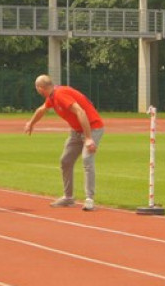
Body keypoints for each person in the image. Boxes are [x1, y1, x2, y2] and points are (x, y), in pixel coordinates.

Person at [23, 74, 104, 212]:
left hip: (92, 128)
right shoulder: (52, 96)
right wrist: (31, 123)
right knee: (66, 160)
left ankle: (89, 199)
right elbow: (41, 110)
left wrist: (88, 138)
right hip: (76, 131)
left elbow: (80, 111)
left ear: (40, 88)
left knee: (87, 159)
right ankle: (68, 197)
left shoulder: (60, 94)